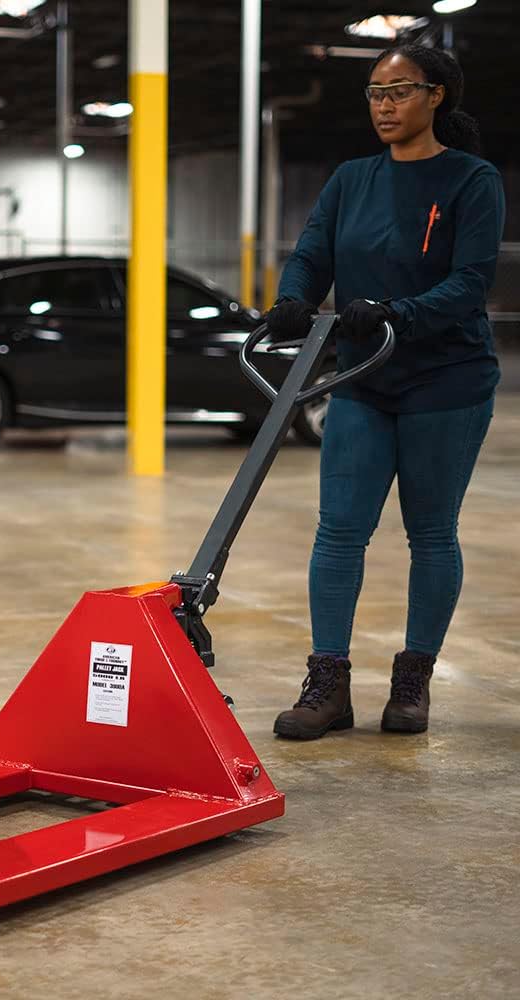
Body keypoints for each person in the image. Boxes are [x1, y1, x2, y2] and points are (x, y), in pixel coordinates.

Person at [267, 44, 505, 740]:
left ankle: (413, 680)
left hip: (447, 380)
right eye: (375, 93)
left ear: (437, 96)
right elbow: (314, 250)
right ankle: (328, 684)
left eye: (400, 91)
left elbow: (471, 280)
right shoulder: (351, 179)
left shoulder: (472, 179)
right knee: (339, 529)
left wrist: (402, 312)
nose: (385, 105)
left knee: (430, 533)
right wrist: (292, 301)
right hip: (361, 378)